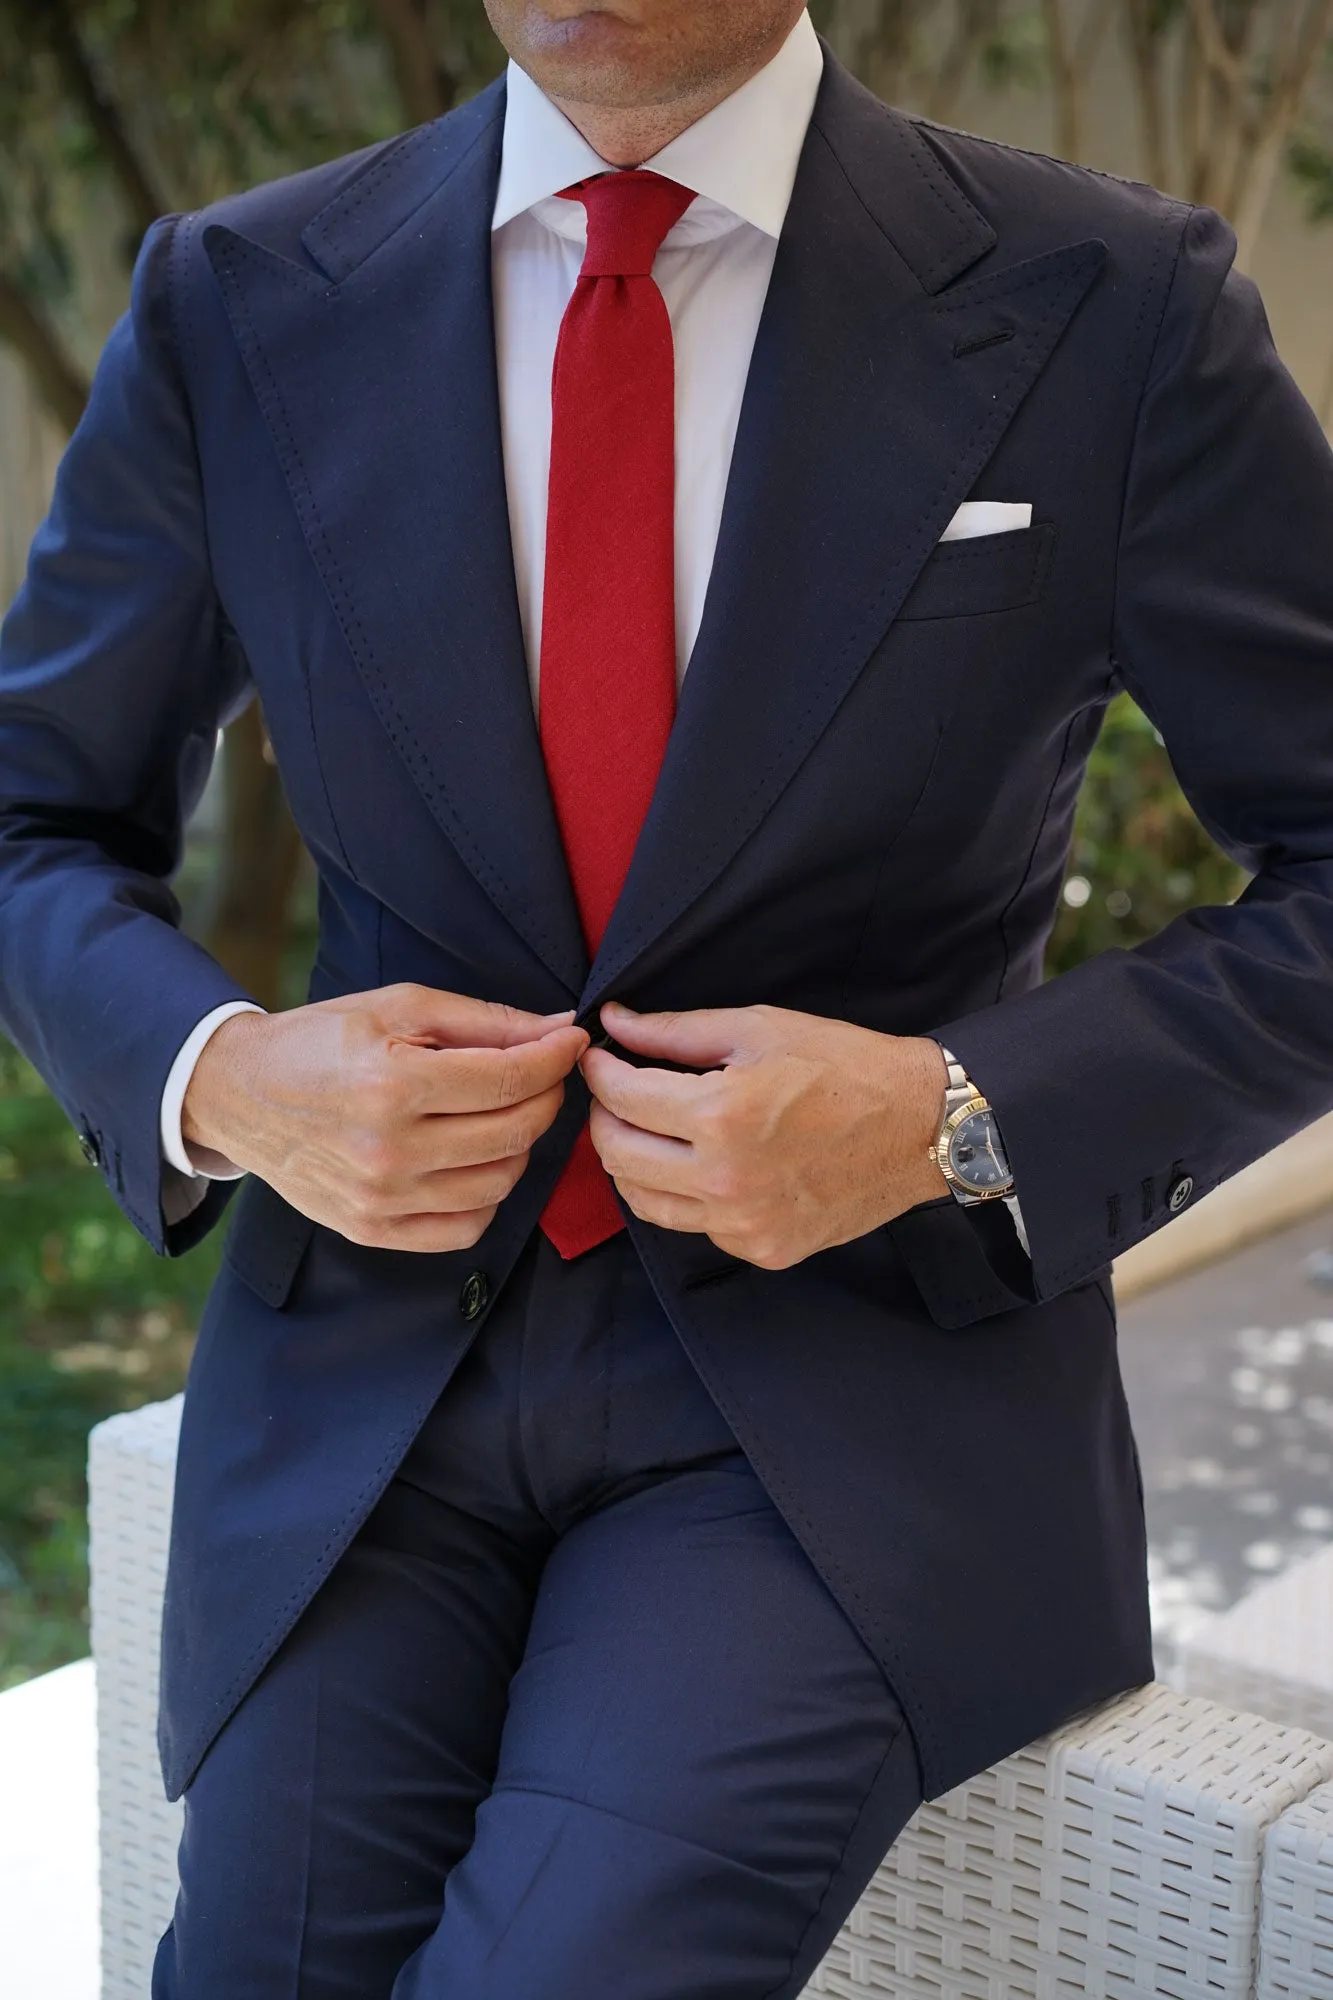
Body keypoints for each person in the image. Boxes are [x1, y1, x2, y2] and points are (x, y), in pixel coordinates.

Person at [2, 0, 1332, 1991]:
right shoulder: (244, 297)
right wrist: (229, 1073)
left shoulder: (1111, 306)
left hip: (845, 1396)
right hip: (372, 1378)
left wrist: (953, 1111)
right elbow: (33, 813)